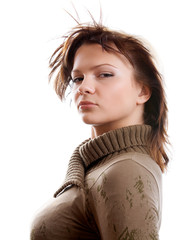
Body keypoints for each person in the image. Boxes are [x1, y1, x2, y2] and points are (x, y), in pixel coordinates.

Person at [30, 21, 169, 240]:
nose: (83, 87)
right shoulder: (102, 167)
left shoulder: (126, 170)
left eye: (104, 75)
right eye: (78, 78)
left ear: (142, 91)